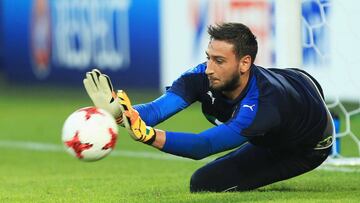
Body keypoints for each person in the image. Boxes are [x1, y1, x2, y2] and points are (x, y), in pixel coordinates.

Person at [83, 22, 334, 192]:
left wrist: (149, 136)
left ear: (244, 63)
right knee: (205, 180)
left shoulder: (262, 105)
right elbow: (158, 110)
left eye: (219, 60)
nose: (209, 68)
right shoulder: (202, 76)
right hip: (297, 82)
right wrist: (122, 114)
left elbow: (203, 146)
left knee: (204, 182)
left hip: (303, 146)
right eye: (208, 57)